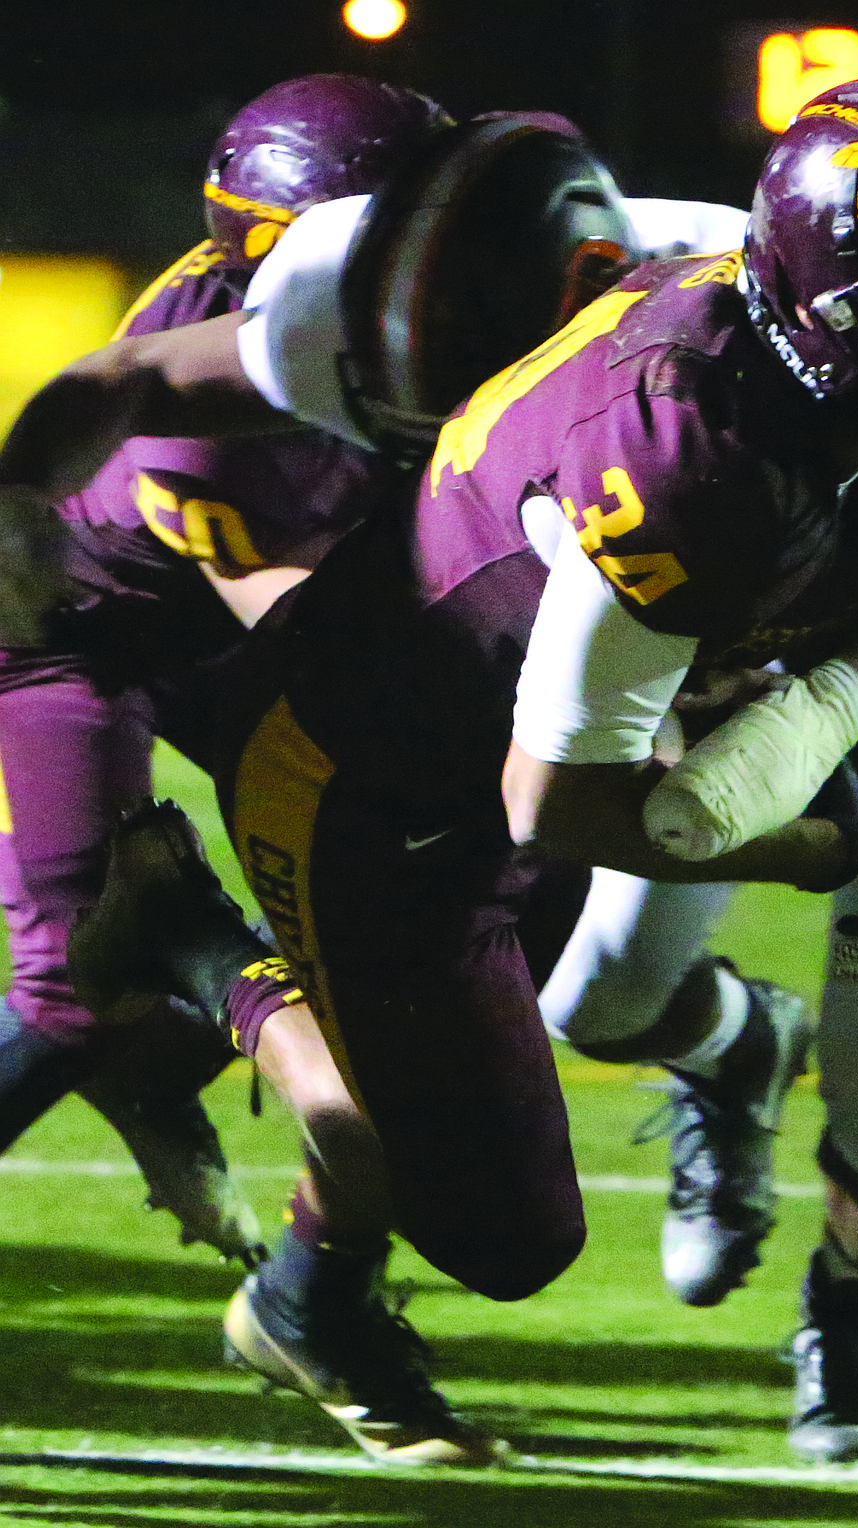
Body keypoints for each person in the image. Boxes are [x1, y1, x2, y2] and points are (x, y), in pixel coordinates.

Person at [4, 76, 858, 1465]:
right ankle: (198, 955)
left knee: (559, 1000)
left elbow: (843, 563)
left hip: (529, 651)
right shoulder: (338, 336)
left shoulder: (749, 333)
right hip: (200, 640)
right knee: (198, 1006)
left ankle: (329, 1257)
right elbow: (310, 631)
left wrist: (832, 758)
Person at [537, 90, 858, 1460]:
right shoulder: (664, 386)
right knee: (594, 998)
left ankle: (856, 1304)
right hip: (793, 635)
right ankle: (733, 1047)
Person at [0, 76, 459, 1262]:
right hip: (72, 643)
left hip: (203, 627)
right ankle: (165, 1063)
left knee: (383, 868)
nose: (444, 265)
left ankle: (161, 1077)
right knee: (77, 984)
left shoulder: (409, 314)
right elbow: (307, 630)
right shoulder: (202, 415)